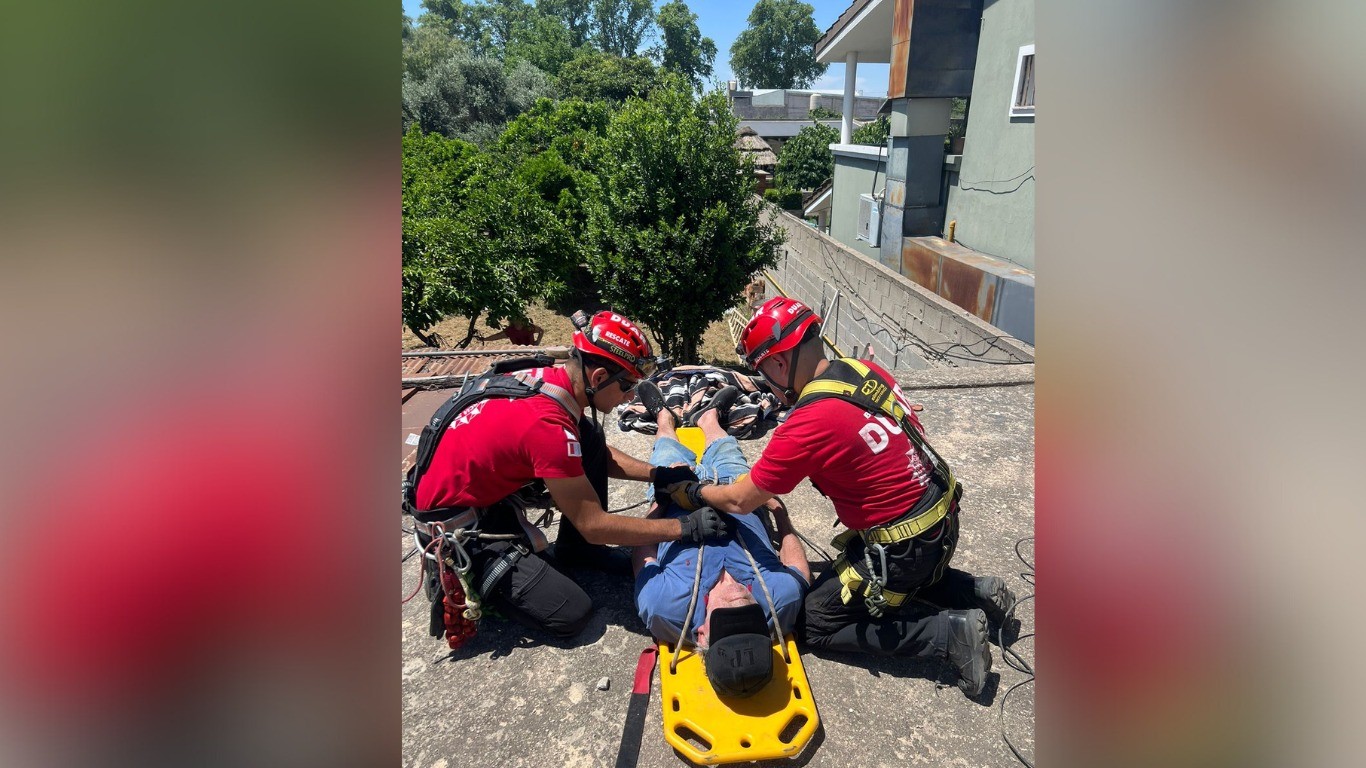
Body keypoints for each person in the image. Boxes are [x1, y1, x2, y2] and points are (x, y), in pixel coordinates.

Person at [657, 297, 1015, 697]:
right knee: (882, 568)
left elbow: (742, 500)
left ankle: (948, 636)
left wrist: (695, 491)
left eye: (765, 374)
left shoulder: (807, 422)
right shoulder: (864, 371)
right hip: (940, 518)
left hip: (901, 547)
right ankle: (975, 591)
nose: (772, 390)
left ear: (778, 364)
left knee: (816, 621)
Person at [410, 310, 725, 640]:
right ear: (599, 376)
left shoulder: (548, 379)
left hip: (471, 491)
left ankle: (577, 553)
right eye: (628, 385)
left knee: (589, 437)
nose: (631, 397)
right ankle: (483, 578)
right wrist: (684, 528)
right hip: (458, 526)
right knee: (571, 612)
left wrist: (659, 476)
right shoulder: (547, 427)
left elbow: (587, 452)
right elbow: (593, 524)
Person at [631, 384, 811, 697]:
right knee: (726, 448)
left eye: (729, 614)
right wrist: (780, 515)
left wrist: (661, 499)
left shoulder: (663, 607)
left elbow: (642, 551)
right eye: (750, 615)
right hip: (736, 492)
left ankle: (663, 416)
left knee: (667, 452)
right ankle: (709, 417)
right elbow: (798, 569)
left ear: (701, 636)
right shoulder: (780, 604)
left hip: (677, 498)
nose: (739, 599)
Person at [476, 316, 544, 346]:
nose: (517, 322)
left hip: (531, 350)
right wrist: (484, 339)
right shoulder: (510, 330)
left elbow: (541, 331)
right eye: (515, 320)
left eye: (519, 319)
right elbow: (497, 336)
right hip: (518, 353)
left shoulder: (529, 327)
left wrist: (537, 342)